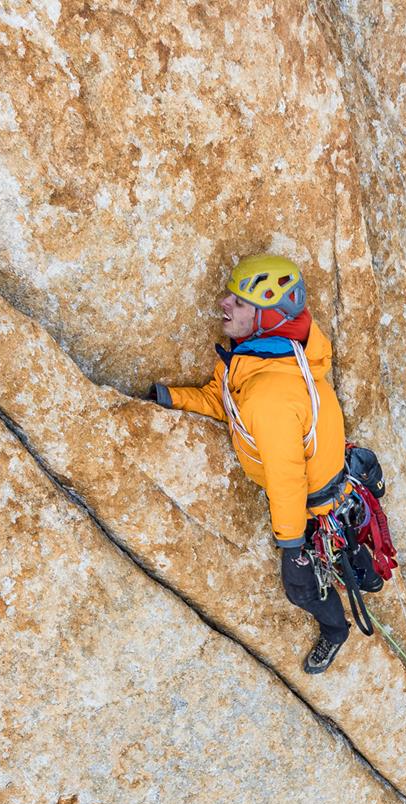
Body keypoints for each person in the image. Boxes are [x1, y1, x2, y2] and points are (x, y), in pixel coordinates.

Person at [150, 255, 352, 674]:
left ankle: (336, 630)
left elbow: (286, 477)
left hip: (313, 503)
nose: (223, 303)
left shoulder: (269, 393)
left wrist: (292, 548)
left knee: (301, 589)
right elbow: (228, 402)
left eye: (239, 302)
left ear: (268, 317)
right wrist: (173, 398)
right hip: (329, 483)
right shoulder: (271, 354)